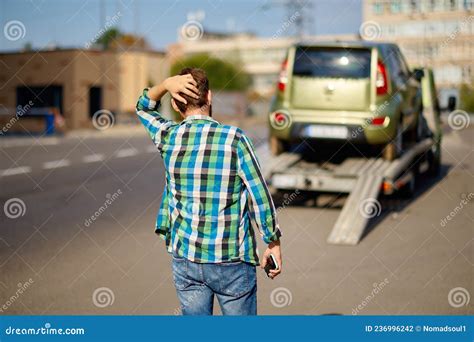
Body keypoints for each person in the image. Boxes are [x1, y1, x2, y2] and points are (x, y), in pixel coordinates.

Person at [135, 67, 282, 315]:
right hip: (231, 260)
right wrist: (273, 241)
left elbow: (143, 108)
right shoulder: (235, 139)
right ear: (210, 97)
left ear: (175, 103)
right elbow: (260, 196)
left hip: (187, 258)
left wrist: (164, 85)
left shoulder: (168, 136)